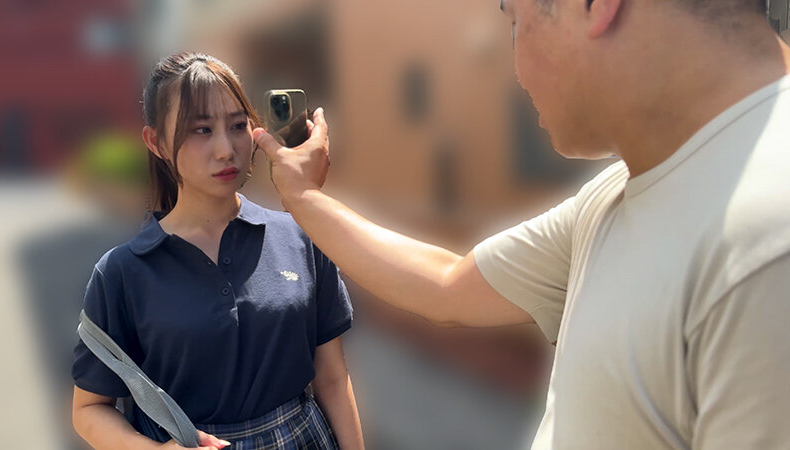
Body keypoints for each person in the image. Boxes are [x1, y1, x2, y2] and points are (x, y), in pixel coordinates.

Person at [254, 0, 790, 448]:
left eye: (515, 22)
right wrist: (303, 197)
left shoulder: (764, 246)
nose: (515, 69)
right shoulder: (624, 189)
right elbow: (447, 284)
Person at [71, 52, 364, 450]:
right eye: (202, 130)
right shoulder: (122, 272)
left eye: (238, 126)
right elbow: (89, 409)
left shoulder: (301, 236)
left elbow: (331, 377)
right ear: (156, 142)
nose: (226, 149)